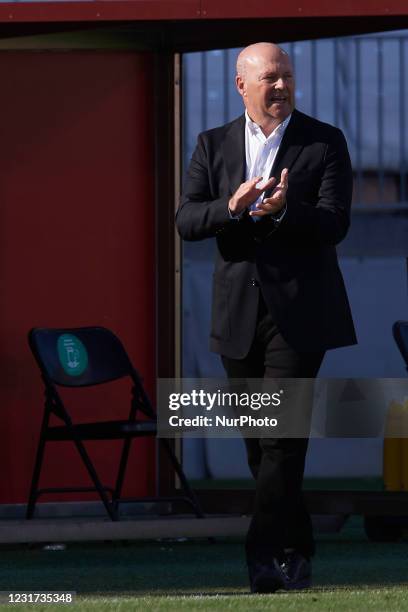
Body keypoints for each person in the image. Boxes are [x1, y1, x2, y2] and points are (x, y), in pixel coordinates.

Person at [176, 42, 356, 593]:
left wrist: (284, 211)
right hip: (237, 314)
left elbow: (334, 224)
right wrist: (232, 206)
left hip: (299, 314)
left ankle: (261, 558)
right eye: (269, 79)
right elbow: (186, 220)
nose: (280, 87)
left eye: (286, 77)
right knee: (261, 442)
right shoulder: (212, 144)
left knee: (280, 436)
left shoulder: (324, 141)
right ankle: (296, 548)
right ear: (241, 85)